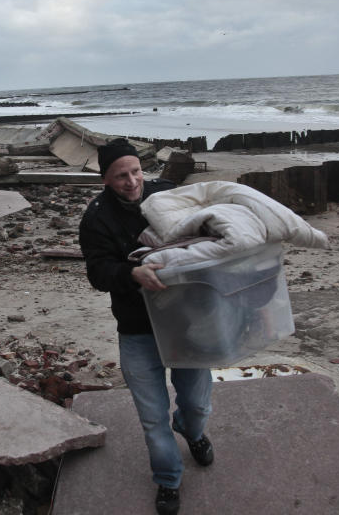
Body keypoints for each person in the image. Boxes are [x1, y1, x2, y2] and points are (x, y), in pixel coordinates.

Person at [79, 138, 214, 515]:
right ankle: (168, 480)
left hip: (186, 322)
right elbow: (97, 272)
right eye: (121, 176)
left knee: (197, 404)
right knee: (153, 419)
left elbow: (206, 227)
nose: (132, 181)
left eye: (136, 171)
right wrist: (131, 273)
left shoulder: (165, 195)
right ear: (105, 179)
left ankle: (192, 430)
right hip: (137, 329)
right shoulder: (96, 218)